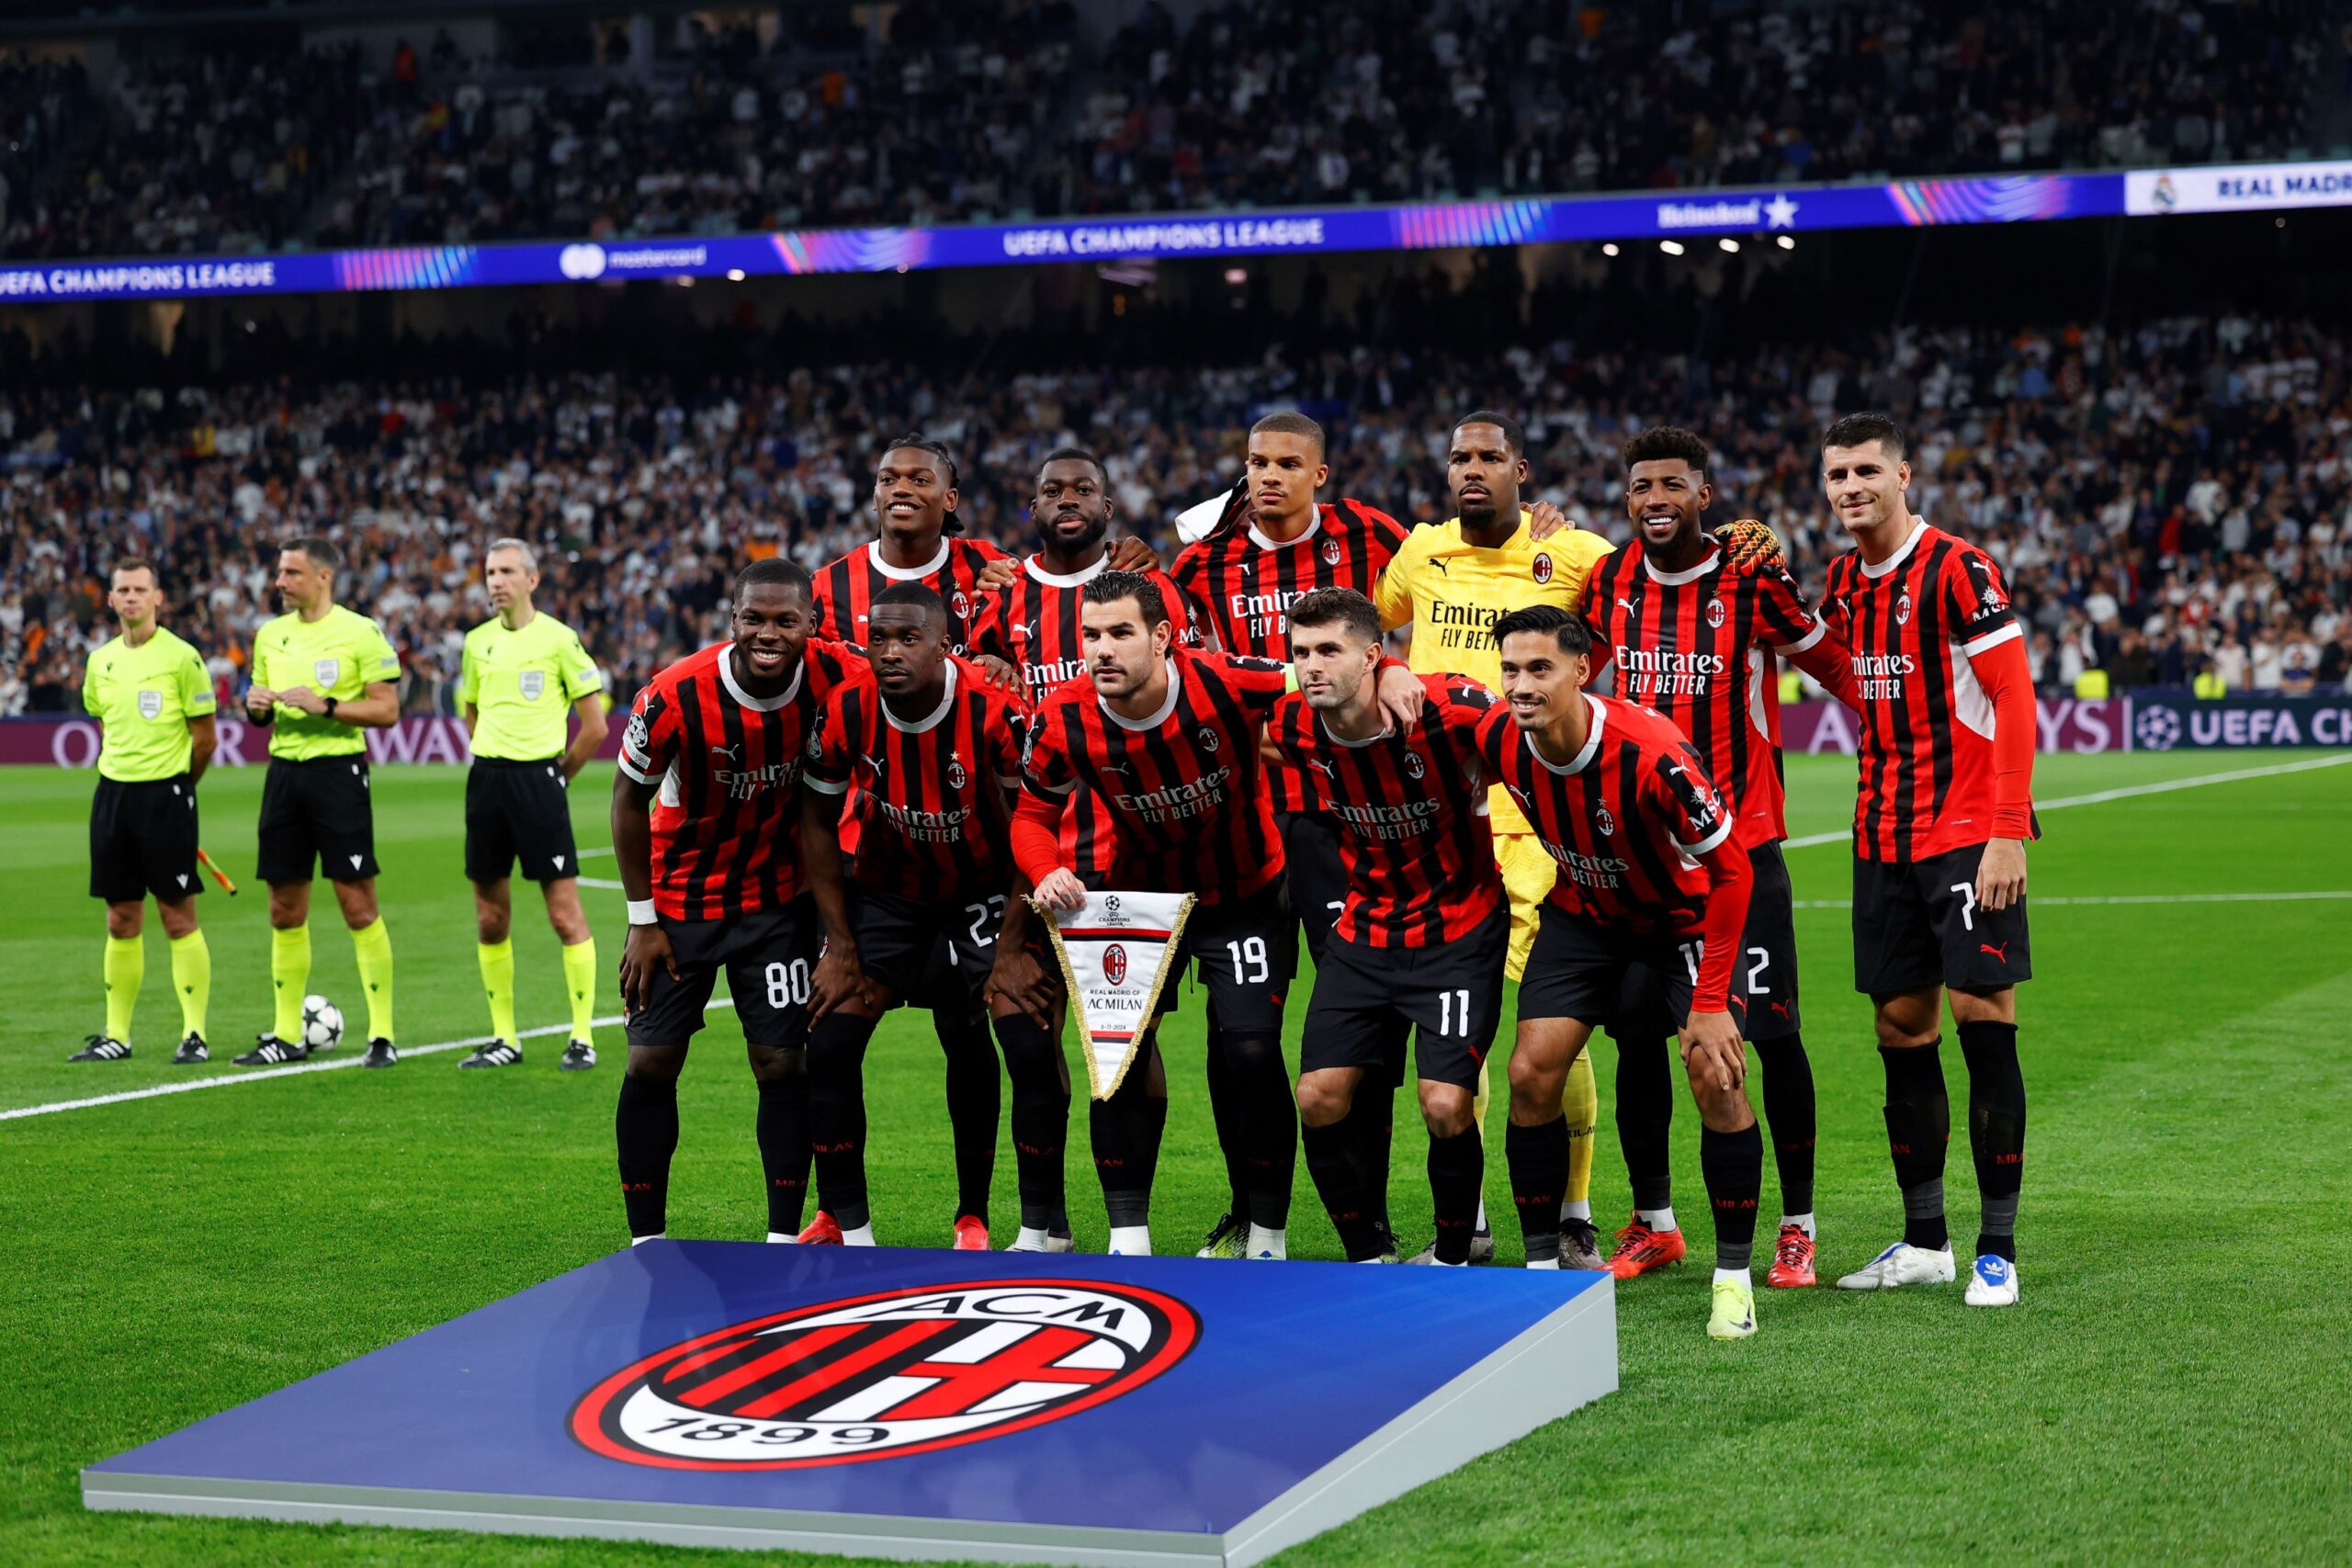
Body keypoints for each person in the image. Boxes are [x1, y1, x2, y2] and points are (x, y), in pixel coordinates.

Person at [1580, 426, 1860, 1290]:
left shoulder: (1749, 578)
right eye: (1640, 486)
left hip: (1740, 850)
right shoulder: (1609, 581)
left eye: (1673, 484)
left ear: (1706, 494)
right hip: (1642, 863)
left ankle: (1798, 1226)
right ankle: (1655, 1220)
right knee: (1635, 1035)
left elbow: (1839, 669)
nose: (1654, 500)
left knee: (1771, 1037)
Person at [1474, 605, 1764, 1340]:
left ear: (1581, 668)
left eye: (1539, 668)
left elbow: (1733, 872)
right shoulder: (1499, 740)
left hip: (1679, 924)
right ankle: (1540, 1276)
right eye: (1510, 669)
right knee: (1531, 1072)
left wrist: (1709, 1000)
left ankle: (1733, 1281)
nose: (1521, 684)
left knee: (1715, 1074)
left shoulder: (1650, 751)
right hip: (1584, 916)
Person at [1372, 411, 1614, 1267]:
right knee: (1455, 1030)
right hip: (1444, 823)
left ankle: (1576, 1212)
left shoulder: (1575, 554)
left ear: (1522, 469)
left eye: (1488, 458)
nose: (1471, 470)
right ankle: (1466, 1219)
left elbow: (1655, 593)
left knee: (1555, 1023)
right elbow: (1367, 626)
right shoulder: (1421, 551)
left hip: (1544, 821)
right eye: (1458, 458)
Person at [1168, 411, 1412, 1260]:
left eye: (1286, 463)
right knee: (1240, 1035)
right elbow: (1178, 661)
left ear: (1322, 474)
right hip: (1241, 821)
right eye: (1255, 462)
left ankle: (1369, 1220)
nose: (1267, 476)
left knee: (1362, 1022)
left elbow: (1457, 576)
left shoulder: (1372, 536)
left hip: (1346, 818)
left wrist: (1547, 528)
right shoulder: (1201, 564)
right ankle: (1253, 1210)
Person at [1816, 413, 2035, 1309]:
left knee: (1983, 1021)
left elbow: (2013, 693)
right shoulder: (1839, 579)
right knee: (1901, 1032)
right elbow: (1839, 670)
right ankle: (1923, 1241)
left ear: (1904, 473)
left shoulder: (1956, 567)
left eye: (1867, 469)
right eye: (1836, 475)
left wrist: (2006, 827)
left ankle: (1995, 1251)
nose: (1850, 487)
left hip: (1963, 835)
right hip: (1880, 838)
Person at [1013, 573, 1296, 1257]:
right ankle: (1130, 1237)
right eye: (1090, 635)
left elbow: (1326, 671)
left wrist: (1399, 669)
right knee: (1120, 1057)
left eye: (1120, 633)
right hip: (1136, 899)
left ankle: (1266, 1232)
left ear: (1163, 637)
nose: (1101, 650)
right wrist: (1046, 866)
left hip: (1246, 893)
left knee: (1252, 1050)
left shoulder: (1227, 680)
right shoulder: (1063, 716)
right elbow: (1031, 814)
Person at [798, 584, 1062, 1250]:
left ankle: (1028, 1230)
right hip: (891, 894)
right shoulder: (846, 708)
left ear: (942, 644)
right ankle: (850, 1232)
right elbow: (816, 823)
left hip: (985, 890)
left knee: (1025, 1042)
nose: (889, 652)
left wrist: (1010, 946)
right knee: (828, 1040)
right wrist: (837, 944)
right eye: (878, 638)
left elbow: (1034, 828)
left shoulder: (996, 711)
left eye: (907, 638)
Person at [609, 558, 855, 1246]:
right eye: (754, 618)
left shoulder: (840, 674)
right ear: (733, 620)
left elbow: (912, 662)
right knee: (650, 1060)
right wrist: (642, 921)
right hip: (680, 902)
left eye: (785, 620)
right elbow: (627, 800)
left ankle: (781, 1238)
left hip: (778, 904)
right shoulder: (673, 693)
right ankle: (646, 1239)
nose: (768, 633)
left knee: (781, 1061)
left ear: (812, 623)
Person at [1272, 589, 1507, 1266]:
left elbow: (1527, 750)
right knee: (1316, 1096)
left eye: (1329, 650)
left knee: (1443, 1103)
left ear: (1373, 655)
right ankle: (1367, 1257)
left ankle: (1454, 1256)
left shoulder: (1449, 711)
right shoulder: (1290, 723)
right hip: (1367, 929)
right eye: (1301, 652)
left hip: (1459, 932)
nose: (1311, 666)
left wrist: (1404, 671)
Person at [239, 537, 402, 1067]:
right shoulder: (270, 636)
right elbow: (259, 712)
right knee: (283, 907)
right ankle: (286, 1035)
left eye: (291, 573)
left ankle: (382, 1035)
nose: (280, 582)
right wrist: (256, 707)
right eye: (279, 573)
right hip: (284, 774)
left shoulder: (360, 632)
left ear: (323, 576)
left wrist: (326, 705)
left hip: (338, 774)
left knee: (358, 904)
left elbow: (387, 710)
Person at [456, 538, 608, 1071]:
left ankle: (583, 1036)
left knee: (565, 916)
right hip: (487, 782)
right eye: (489, 571)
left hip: (540, 782)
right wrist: (492, 754)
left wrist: (555, 778)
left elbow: (594, 728)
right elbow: (471, 710)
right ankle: (505, 1039)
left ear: (532, 580)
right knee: (490, 917)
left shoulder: (560, 641)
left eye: (505, 572)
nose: (495, 580)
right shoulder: (476, 643)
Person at [74, 560, 218, 1064]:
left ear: (158, 598)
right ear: (110, 599)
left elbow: (205, 739)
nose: (131, 597)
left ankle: (194, 1034)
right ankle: (118, 1034)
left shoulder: (182, 658)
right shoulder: (100, 662)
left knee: (178, 916)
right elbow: (106, 724)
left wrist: (179, 788)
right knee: (120, 917)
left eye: (141, 589)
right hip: (113, 796)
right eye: (122, 590)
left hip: (167, 796)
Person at [968, 448, 1203, 697]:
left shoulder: (1150, 582)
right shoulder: (1001, 591)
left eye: (1083, 490)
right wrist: (987, 665)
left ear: (1107, 508)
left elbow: (1193, 683)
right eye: (1052, 492)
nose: (1067, 500)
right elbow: (980, 682)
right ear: (1034, 511)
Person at [811, 434, 1013, 652]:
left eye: (920, 480)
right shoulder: (826, 587)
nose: (901, 489)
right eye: (888, 480)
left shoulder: (988, 565)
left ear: (950, 499)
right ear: (874, 497)